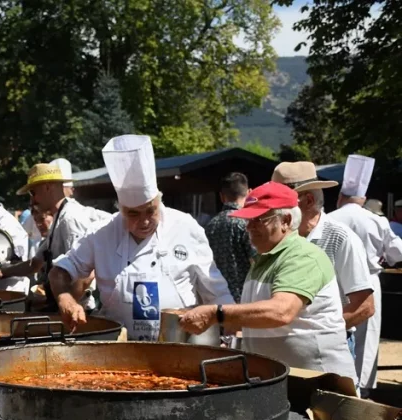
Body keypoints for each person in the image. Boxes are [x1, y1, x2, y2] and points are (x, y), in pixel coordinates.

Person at [49, 135, 233, 340]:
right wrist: (65, 298)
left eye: (150, 211)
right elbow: (60, 271)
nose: (144, 221)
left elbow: (216, 290)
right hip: (117, 347)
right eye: (133, 214)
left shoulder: (186, 227)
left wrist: (232, 330)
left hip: (179, 345)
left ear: (159, 201)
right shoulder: (101, 232)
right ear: (121, 209)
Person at [180, 182, 357, 383]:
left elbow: (281, 312)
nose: (249, 227)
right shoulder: (263, 259)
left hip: (320, 384)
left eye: (258, 219)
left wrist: (217, 313)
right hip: (285, 381)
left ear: (286, 220)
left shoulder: (302, 256)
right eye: (248, 220)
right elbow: (263, 321)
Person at [272, 161, 375, 363]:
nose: (274, 208)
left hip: (329, 350)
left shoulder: (340, 238)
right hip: (284, 349)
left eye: (282, 202)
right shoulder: (281, 237)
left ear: (308, 201)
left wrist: (316, 333)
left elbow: (364, 307)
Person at [0, 163, 111, 311]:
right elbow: (35, 264)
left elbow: (86, 274)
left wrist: (64, 304)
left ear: (48, 187)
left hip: (76, 312)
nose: (32, 201)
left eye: (33, 193)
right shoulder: (59, 218)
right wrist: (1, 272)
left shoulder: (70, 219)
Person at [329, 155, 402, 396]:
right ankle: (364, 389)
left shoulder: (329, 219)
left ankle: (337, 382)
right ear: (363, 198)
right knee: (366, 337)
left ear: (341, 196)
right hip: (368, 279)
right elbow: (396, 252)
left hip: (334, 280)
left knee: (336, 329)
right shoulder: (376, 220)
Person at [204, 172, 256, 303]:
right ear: (249, 193)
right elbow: (257, 260)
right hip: (246, 298)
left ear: (221, 197)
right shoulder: (248, 223)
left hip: (217, 297)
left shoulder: (210, 225)